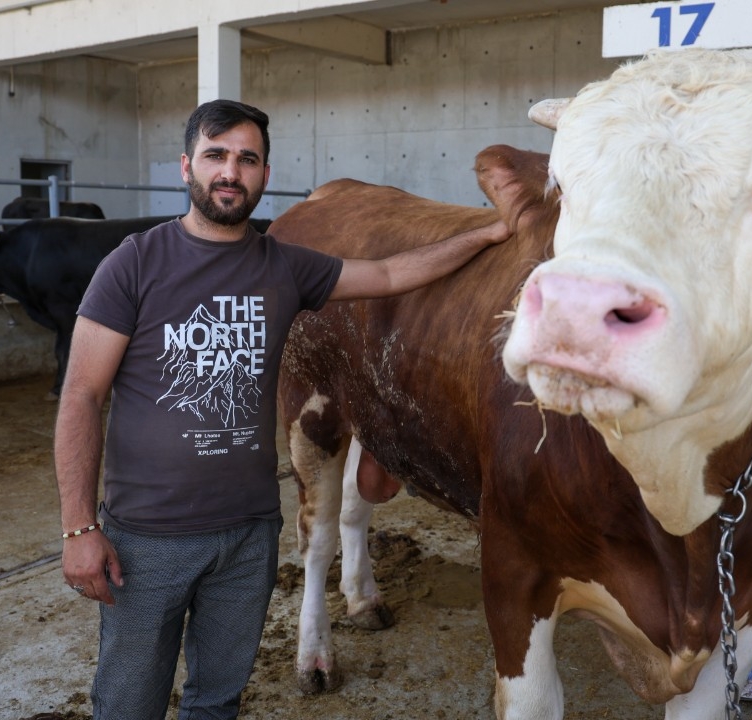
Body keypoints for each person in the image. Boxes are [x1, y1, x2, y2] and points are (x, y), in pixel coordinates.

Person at [53, 98, 510, 720]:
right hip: (149, 536)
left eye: (247, 159)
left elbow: (387, 274)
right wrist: (79, 528)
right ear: (187, 166)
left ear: (265, 175)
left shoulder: (284, 265)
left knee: (218, 699)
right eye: (215, 155)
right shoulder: (134, 263)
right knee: (129, 702)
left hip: (248, 533)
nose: (230, 172)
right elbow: (81, 394)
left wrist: (488, 232)